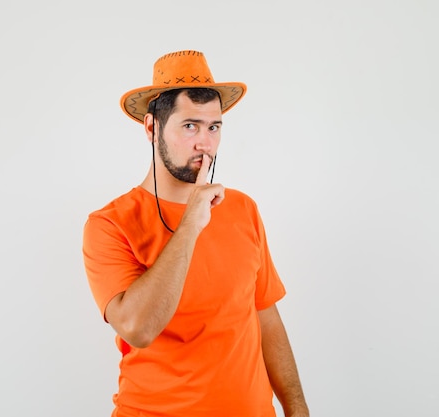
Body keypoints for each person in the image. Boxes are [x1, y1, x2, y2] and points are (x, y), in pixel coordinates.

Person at [82, 50, 309, 417]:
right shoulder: (109, 224)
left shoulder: (243, 208)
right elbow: (137, 329)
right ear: (152, 128)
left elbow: (266, 318)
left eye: (213, 127)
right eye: (190, 126)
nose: (205, 143)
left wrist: (297, 408)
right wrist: (191, 223)